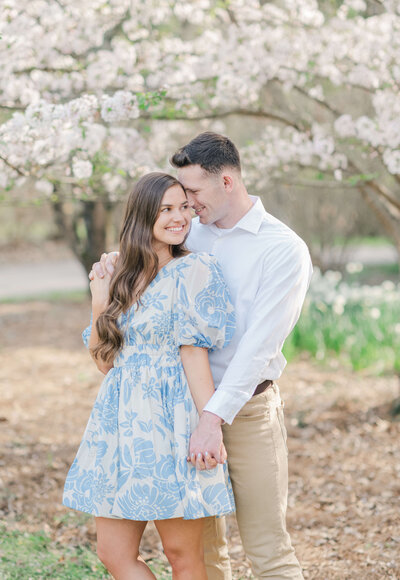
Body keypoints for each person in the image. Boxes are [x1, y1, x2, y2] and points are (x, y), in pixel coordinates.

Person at [94, 133, 313, 580]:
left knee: (267, 548)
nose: (187, 204)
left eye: (193, 192)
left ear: (227, 181)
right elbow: (149, 252)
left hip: (244, 409)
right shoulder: (191, 229)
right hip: (180, 411)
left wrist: (212, 419)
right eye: (180, 193)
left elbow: (258, 348)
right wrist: (111, 266)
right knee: (206, 556)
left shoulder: (282, 249)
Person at [63, 172, 236, 580]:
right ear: (143, 215)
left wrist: (209, 426)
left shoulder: (194, 270)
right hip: (118, 424)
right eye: (166, 210)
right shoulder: (121, 274)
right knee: (113, 553)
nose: (179, 218)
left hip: (170, 419)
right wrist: (100, 301)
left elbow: (195, 356)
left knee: (181, 553)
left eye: (184, 208)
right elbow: (106, 363)